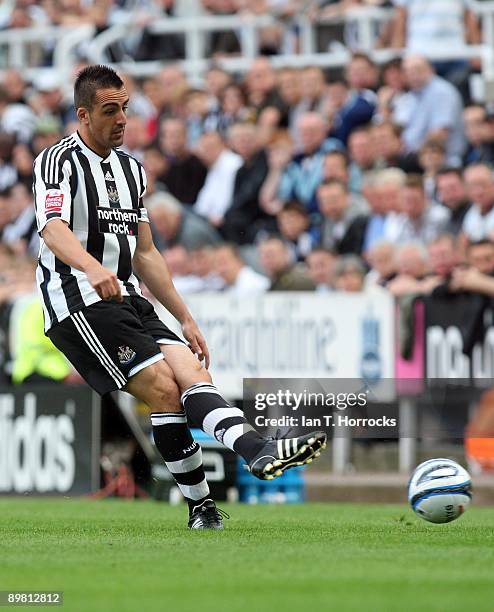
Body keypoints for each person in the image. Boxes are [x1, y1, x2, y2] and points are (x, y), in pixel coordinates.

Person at [32, 65, 326, 530]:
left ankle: (250, 460)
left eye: (125, 108)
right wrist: (93, 268)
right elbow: (52, 228)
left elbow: (146, 252)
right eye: (111, 111)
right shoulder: (57, 161)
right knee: (164, 389)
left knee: (192, 372)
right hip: (79, 301)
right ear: (83, 115)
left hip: (127, 297)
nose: (123, 119)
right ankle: (209, 499)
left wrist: (185, 316)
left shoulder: (132, 170)